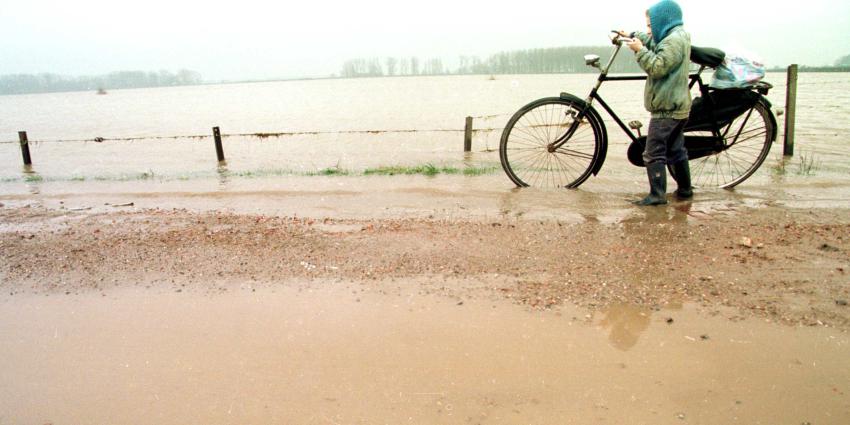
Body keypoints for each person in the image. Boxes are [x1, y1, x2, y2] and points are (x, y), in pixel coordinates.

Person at [623, 0, 693, 206]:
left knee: (652, 153)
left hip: (666, 110)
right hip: (677, 107)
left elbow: (657, 67)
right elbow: (655, 43)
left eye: (650, 26)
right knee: (677, 150)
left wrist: (639, 50)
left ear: (663, 21)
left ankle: (657, 196)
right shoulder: (675, 36)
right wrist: (633, 35)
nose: (649, 30)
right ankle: (685, 190)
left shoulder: (673, 42)